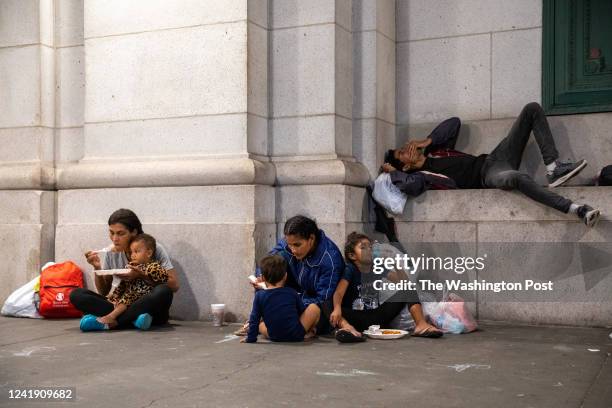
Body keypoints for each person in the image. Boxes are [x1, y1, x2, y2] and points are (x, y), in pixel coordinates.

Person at [383, 102, 601, 227]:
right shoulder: (423, 177)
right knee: (517, 178)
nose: (407, 148)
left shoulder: (436, 151)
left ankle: (553, 168)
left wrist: (427, 141)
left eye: (405, 145)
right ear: (406, 167)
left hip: (494, 158)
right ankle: (576, 209)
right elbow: (408, 185)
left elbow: (454, 123)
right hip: (487, 176)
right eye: (402, 153)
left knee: (531, 109)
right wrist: (393, 172)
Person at [70, 209, 178, 330]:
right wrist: (97, 267)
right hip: (121, 303)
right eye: (111, 233)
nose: (115, 239)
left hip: (148, 305)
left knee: (163, 291)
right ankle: (133, 319)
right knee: (77, 295)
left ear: (134, 232)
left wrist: (141, 275)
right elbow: (104, 292)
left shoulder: (151, 248)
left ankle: (112, 322)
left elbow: (174, 286)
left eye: (120, 234)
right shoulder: (112, 252)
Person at [324, 232, 443, 342]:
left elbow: (404, 282)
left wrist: (395, 264)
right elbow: (339, 293)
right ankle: (348, 329)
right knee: (326, 302)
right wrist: (337, 308)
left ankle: (421, 325)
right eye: (363, 247)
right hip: (356, 317)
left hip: (377, 316)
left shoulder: (377, 267)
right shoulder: (350, 270)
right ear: (352, 255)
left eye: (370, 247)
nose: (369, 250)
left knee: (408, 288)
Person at [244, 215, 343, 336]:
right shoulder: (288, 243)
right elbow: (270, 261)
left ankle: (268, 325)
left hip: (313, 305)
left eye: (297, 245)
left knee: (313, 311)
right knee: (275, 263)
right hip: (292, 297)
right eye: (289, 245)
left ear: (311, 239)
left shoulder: (330, 260)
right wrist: (263, 278)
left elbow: (322, 299)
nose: (293, 250)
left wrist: (288, 303)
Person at [92, 234, 169, 330]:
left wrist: (142, 274)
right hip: (129, 300)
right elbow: (122, 286)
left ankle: (111, 318)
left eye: (136, 252)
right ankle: (134, 320)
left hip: (143, 299)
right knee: (80, 295)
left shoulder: (153, 266)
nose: (132, 255)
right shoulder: (130, 267)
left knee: (130, 297)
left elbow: (164, 278)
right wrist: (115, 297)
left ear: (149, 253)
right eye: (131, 252)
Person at [243, 255, 321, 343]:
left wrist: (250, 339)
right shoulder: (292, 292)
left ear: (263, 278)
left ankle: (248, 328)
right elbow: (301, 312)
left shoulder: (259, 296)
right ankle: (308, 332)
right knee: (314, 308)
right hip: (295, 334)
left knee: (260, 324)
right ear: (285, 276)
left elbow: (254, 318)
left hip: (273, 335)